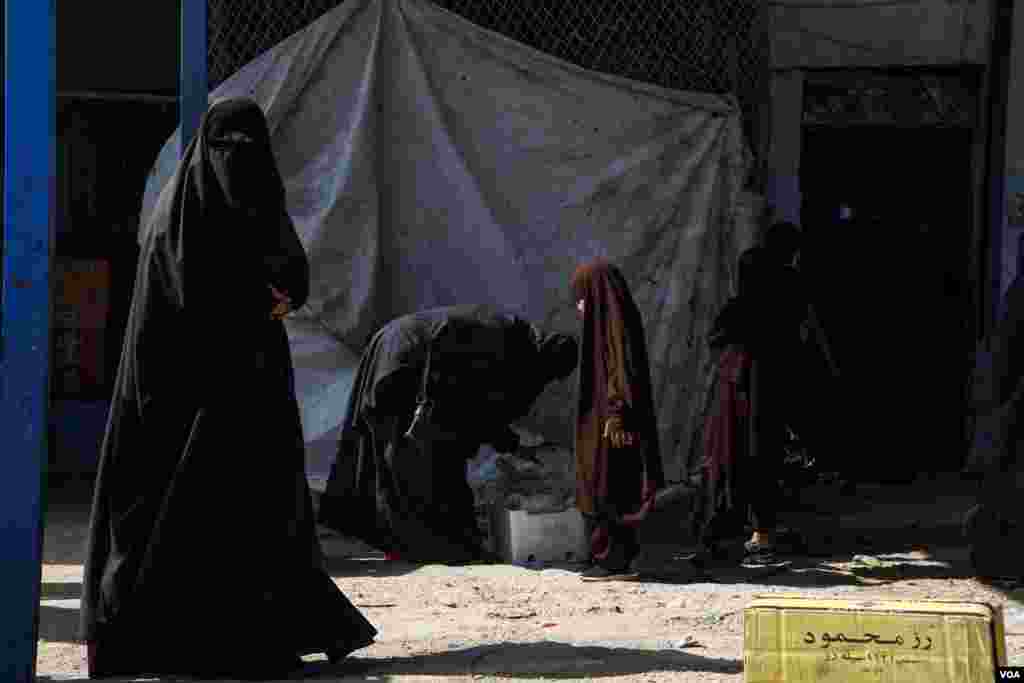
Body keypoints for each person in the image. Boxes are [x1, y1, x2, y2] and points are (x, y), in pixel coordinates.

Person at [80, 98, 377, 680]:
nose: (235, 162)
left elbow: (287, 273)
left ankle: (243, 638)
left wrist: (275, 295)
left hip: (237, 395)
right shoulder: (179, 222)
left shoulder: (196, 210)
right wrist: (262, 299)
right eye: (226, 149)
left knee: (241, 514)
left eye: (247, 151)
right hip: (189, 405)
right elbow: (212, 296)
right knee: (197, 513)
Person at [318, 304, 579, 564]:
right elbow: (478, 405)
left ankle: (431, 544)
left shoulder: (512, 336)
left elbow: (478, 406)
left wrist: (512, 445)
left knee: (431, 459)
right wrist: (508, 442)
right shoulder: (506, 343)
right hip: (407, 363)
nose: (545, 382)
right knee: (412, 461)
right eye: (549, 375)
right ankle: (428, 546)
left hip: (403, 355)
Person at [691, 221, 828, 568]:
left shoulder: (743, 309)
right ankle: (756, 534)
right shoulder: (788, 299)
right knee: (761, 462)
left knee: (732, 462)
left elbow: (717, 343)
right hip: (764, 396)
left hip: (740, 397)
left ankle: (729, 536)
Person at [570, 260, 665, 582]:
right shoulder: (610, 323)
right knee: (608, 480)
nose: (579, 307)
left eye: (582, 298)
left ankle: (613, 560)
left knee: (608, 483)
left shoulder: (614, 326)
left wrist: (616, 414)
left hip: (613, 421)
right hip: (610, 417)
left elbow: (620, 371)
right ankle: (613, 556)